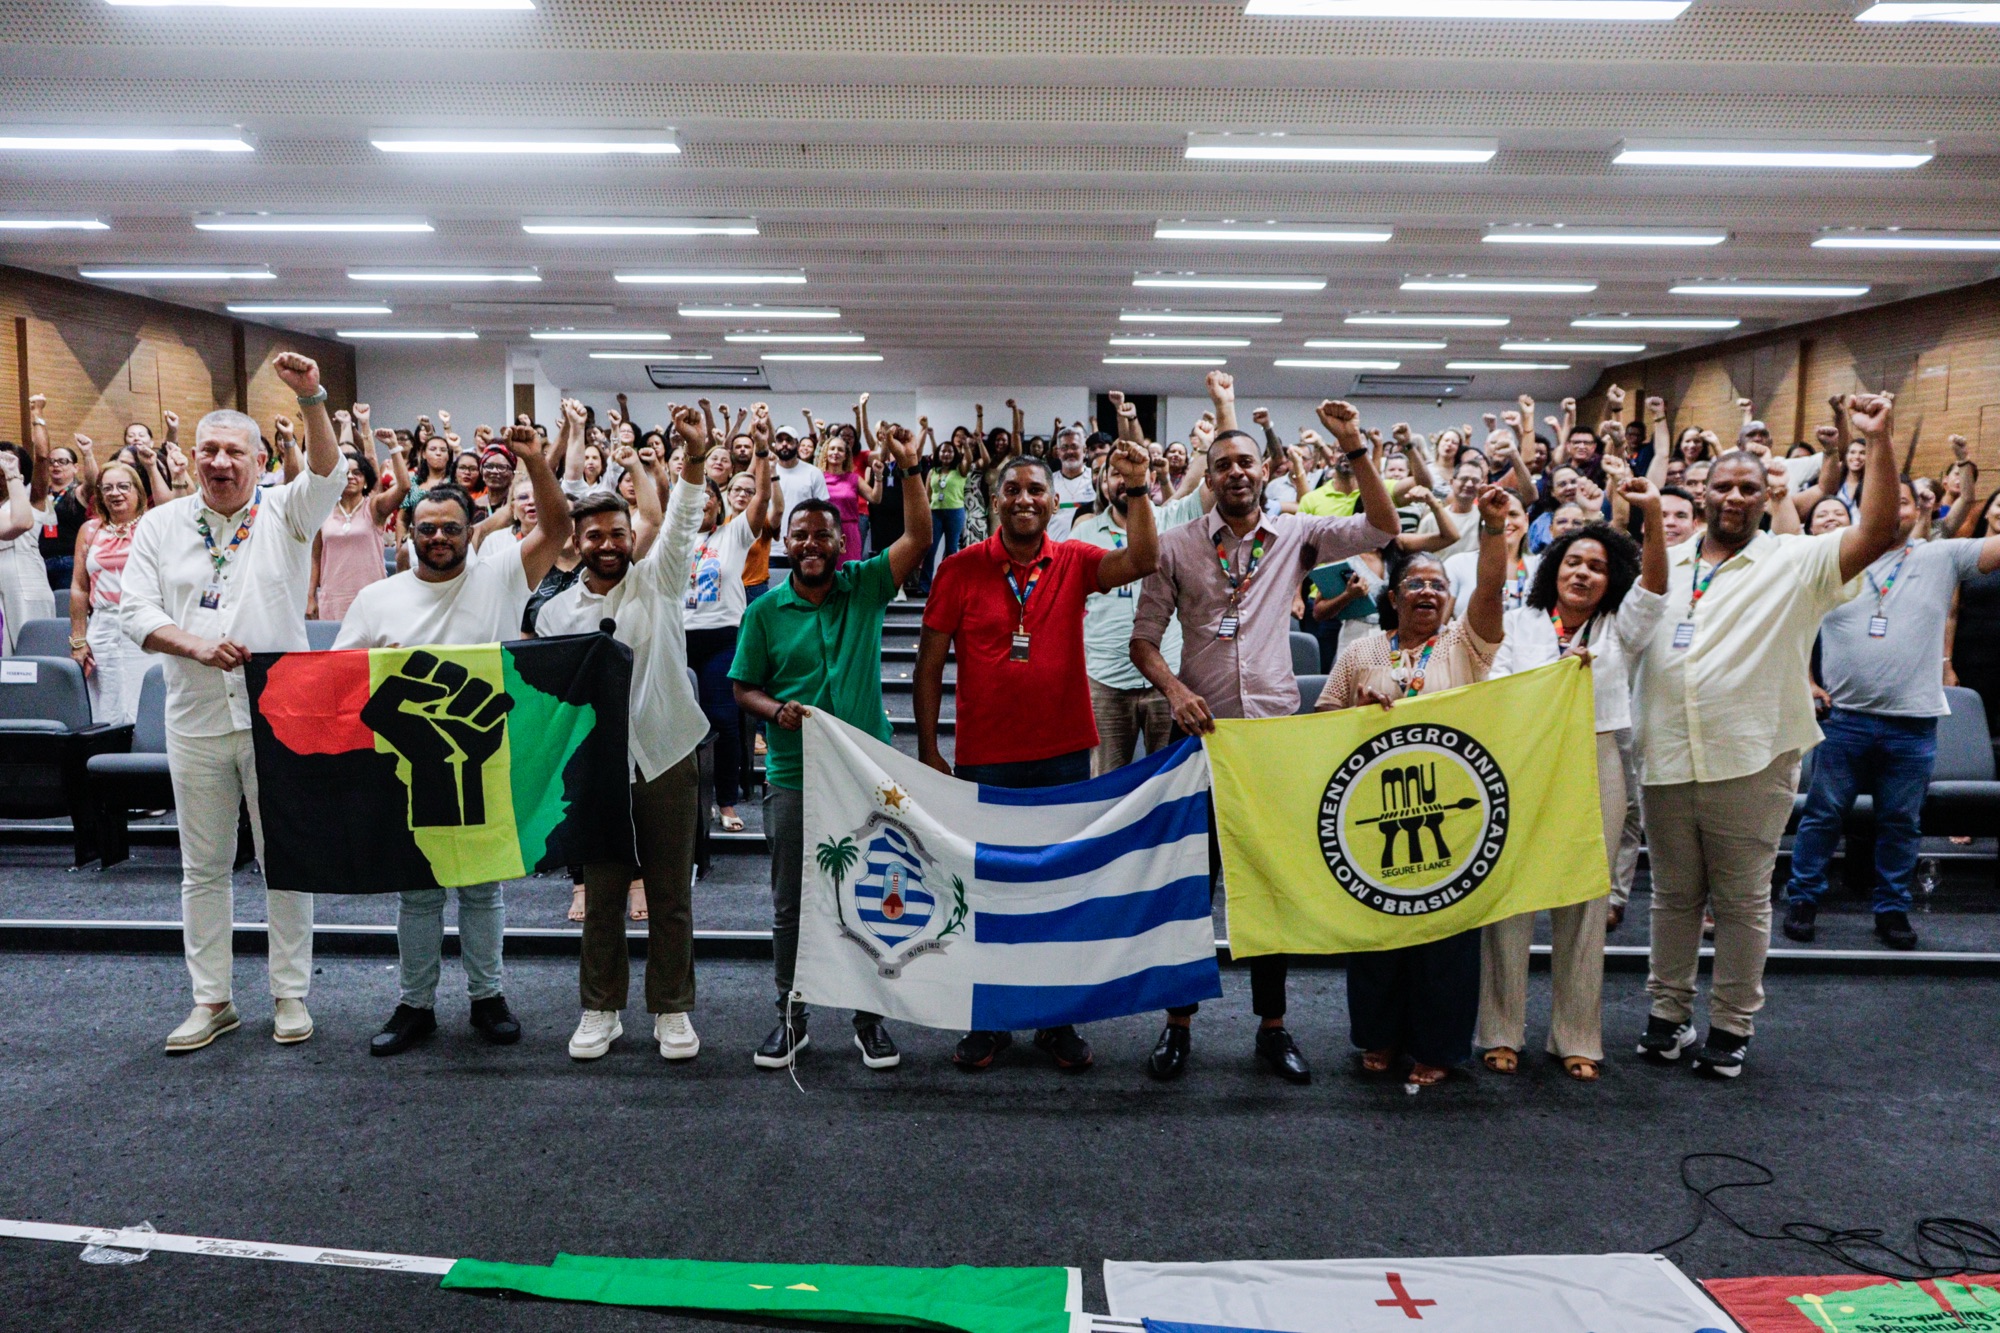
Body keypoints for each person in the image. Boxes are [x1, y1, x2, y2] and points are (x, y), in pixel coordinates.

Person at [1132, 390, 1403, 1084]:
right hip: (1202, 739)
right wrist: (1175, 690)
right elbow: (1143, 641)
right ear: (1211, 475)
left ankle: (1273, 1027)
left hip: (1274, 742)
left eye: (1245, 462)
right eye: (1222, 464)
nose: (1235, 472)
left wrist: (1354, 446)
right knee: (1191, 887)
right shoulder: (1175, 546)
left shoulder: (1297, 535)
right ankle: (1178, 1025)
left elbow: (1382, 526)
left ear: (1266, 470)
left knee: (1270, 886)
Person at [1629, 394, 1902, 1080]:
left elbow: (1878, 531)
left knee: (1743, 902)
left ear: (1765, 496)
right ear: (1702, 492)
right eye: (1722, 485)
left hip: (1750, 758)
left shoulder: (1798, 562)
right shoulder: (1667, 561)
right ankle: (1667, 1015)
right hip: (1666, 755)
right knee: (1672, 898)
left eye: (1748, 487)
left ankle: (1730, 1025)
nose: (1734, 496)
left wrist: (1879, 440)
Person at [121, 352, 348, 1053]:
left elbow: (329, 473)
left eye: (234, 451)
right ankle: (212, 1000)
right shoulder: (161, 525)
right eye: (209, 451)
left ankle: (290, 994)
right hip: (194, 716)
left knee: (286, 860)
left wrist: (312, 398)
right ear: (192, 458)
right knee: (203, 866)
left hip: (276, 718)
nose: (220, 462)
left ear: (258, 459)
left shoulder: (286, 510)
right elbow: (134, 610)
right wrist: (192, 645)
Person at [914, 434, 1159, 1072]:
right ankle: (989, 1020)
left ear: (1055, 502)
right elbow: (929, 665)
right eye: (1012, 490)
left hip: (1063, 754)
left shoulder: (1074, 559)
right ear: (994, 501)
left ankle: (1056, 1020)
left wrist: (1137, 487)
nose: (1024, 499)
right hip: (985, 757)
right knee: (987, 891)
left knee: (1059, 890)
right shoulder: (960, 568)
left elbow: (1143, 558)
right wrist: (929, 747)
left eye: (1036, 490)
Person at [333, 425, 571, 1057]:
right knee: (417, 890)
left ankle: (487, 997)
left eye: (451, 528)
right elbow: (341, 679)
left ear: (473, 532)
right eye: (427, 529)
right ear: (407, 531)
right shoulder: (376, 598)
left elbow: (557, 529)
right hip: (409, 768)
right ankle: (415, 1004)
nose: (439, 538)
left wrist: (534, 461)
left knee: (483, 886)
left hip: (482, 760)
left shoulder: (500, 577)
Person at [730, 422, 932, 1071]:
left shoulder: (865, 586)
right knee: (793, 902)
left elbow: (919, 538)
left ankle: (869, 1018)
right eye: (801, 535)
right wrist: (775, 710)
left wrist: (910, 470)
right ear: (785, 542)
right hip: (795, 772)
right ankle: (791, 1016)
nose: (811, 544)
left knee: (874, 894)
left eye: (823, 534)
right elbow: (743, 688)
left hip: (867, 773)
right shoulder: (764, 612)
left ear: (842, 542)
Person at [1315, 483, 1514, 1088]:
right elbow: (1322, 721)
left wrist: (1493, 529)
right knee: (1379, 924)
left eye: (1438, 585)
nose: (1427, 591)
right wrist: (1359, 709)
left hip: (1452, 809)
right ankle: (1378, 1036)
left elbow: (1490, 591)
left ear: (1450, 600)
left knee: (1446, 935)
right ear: (1394, 597)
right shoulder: (1362, 651)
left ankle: (1437, 1045)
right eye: (1415, 584)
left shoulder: (1465, 643)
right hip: (1375, 809)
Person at [535, 407, 713, 1064]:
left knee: (669, 893)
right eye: (595, 535)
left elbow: (684, 518)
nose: (608, 543)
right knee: (604, 895)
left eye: (618, 532)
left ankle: (671, 1008)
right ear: (576, 541)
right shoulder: (556, 613)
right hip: (597, 770)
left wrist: (695, 458)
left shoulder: (659, 581)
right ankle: (601, 1008)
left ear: (632, 536)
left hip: (665, 755)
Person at [1478, 481, 1669, 1083]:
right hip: (1526, 757)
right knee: (1509, 896)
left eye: (1598, 567)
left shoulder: (1621, 627)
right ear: (1553, 568)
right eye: (1573, 562)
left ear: (1612, 581)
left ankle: (1577, 1035)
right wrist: (1553, 678)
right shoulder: (1521, 622)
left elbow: (1655, 587)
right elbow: (1498, 689)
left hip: (1597, 754)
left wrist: (1651, 515)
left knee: (1586, 900)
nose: (1583, 573)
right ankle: (1500, 1030)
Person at [1782, 479, 2000, 952]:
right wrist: (1806, 679)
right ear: (1867, 508)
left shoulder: (1943, 556)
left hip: (1912, 724)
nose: (1893, 510)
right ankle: (1803, 900)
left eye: (1903, 502)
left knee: (1901, 822)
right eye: (1885, 501)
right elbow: (1796, 621)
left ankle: (1892, 910)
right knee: (1823, 817)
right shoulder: (1836, 558)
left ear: (1918, 509)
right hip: (1845, 719)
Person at [1073, 406, 1207, 776]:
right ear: (1102, 484)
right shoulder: (1081, 536)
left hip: (1168, 678)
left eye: (1129, 473)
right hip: (1104, 681)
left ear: (1147, 477)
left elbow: (1210, 487)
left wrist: (1217, 421)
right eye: (1114, 473)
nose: (1122, 480)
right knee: (1104, 782)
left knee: (1171, 782)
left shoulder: (1173, 520)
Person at [685, 410, 774, 835]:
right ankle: (689, 800)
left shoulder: (733, 534)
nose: (702, 500)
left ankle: (725, 800)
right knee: (681, 723)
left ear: (718, 504)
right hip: (677, 639)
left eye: (709, 495)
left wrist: (762, 450)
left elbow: (761, 499)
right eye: (695, 495)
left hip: (721, 638)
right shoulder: (672, 539)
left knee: (721, 719)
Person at [66, 458, 155, 726]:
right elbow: (79, 588)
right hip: (102, 625)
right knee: (105, 704)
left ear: (138, 491)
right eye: (107, 488)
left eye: (123, 486)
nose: (115, 493)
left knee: (145, 699)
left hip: (144, 621)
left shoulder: (153, 525)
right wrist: (79, 640)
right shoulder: (90, 530)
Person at [310, 413, 408, 622]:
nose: (350, 477)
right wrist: (310, 596)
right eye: (345, 473)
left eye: (357, 473)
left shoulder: (374, 507)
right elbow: (315, 557)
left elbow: (404, 487)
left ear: (365, 480)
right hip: (333, 597)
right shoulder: (323, 510)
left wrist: (393, 446)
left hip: (371, 596)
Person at [921, 432, 969, 591]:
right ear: (938, 454)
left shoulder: (960, 470)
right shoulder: (932, 472)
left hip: (955, 512)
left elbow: (968, 460)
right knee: (930, 549)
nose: (946, 454)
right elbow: (927, 495)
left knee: (951, 549)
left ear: (954, 454)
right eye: (943, 451)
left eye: (949, 451)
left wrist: (966, 445)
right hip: (935, 513)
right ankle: (925, 586)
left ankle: (950, 585)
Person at [770, 428, 830, 544]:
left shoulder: (813, 473)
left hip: (803, 544)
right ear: (775, 445)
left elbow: (822, 511)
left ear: (797, 445)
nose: (784, 444)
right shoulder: (767, 471)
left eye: (789, 440)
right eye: (780, 441)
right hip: (770, 545)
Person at [1047, 426, 1098, 541]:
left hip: (1089, 547)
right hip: (1056, 548)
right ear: (1058, 452)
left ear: (1084, 450)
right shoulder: (1048, 481)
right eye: (1064, 448)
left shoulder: (1096, 479)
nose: (1069, 452)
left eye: (1074, 447)